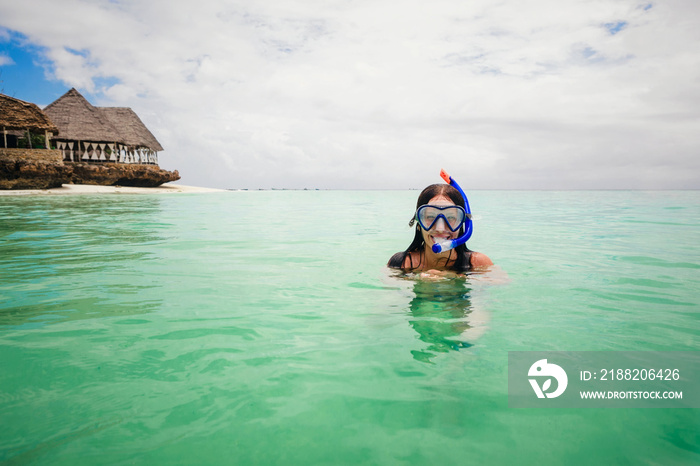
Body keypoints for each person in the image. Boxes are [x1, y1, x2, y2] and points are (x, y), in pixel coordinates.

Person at [388, 183, 492, 274]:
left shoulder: (477, 263)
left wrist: (453, 278)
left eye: (451, 217)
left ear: (461, 224)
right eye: (430, 217)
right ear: (418, 223)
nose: (440, 228)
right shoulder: (401, 264)